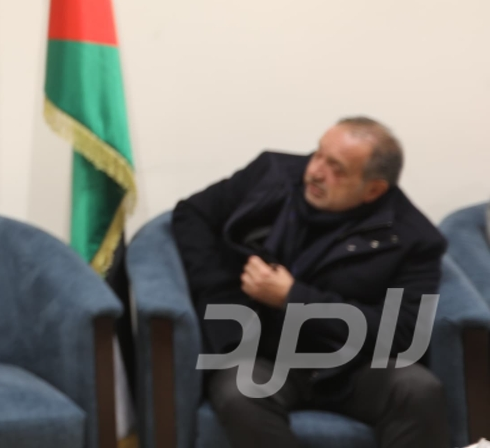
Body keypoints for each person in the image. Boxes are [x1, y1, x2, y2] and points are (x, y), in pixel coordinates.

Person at [172, 117, 448, 447]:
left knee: (418, 389)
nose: (315, 172)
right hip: (265, 354)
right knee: (240, 391)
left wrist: (294, 299)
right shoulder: (272, 175)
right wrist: (224, 293)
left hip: (351, 366)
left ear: (373, 189)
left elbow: (403, 334)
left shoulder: (413, 238)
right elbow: (191, 215)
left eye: (337, 169)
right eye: (318, 155)